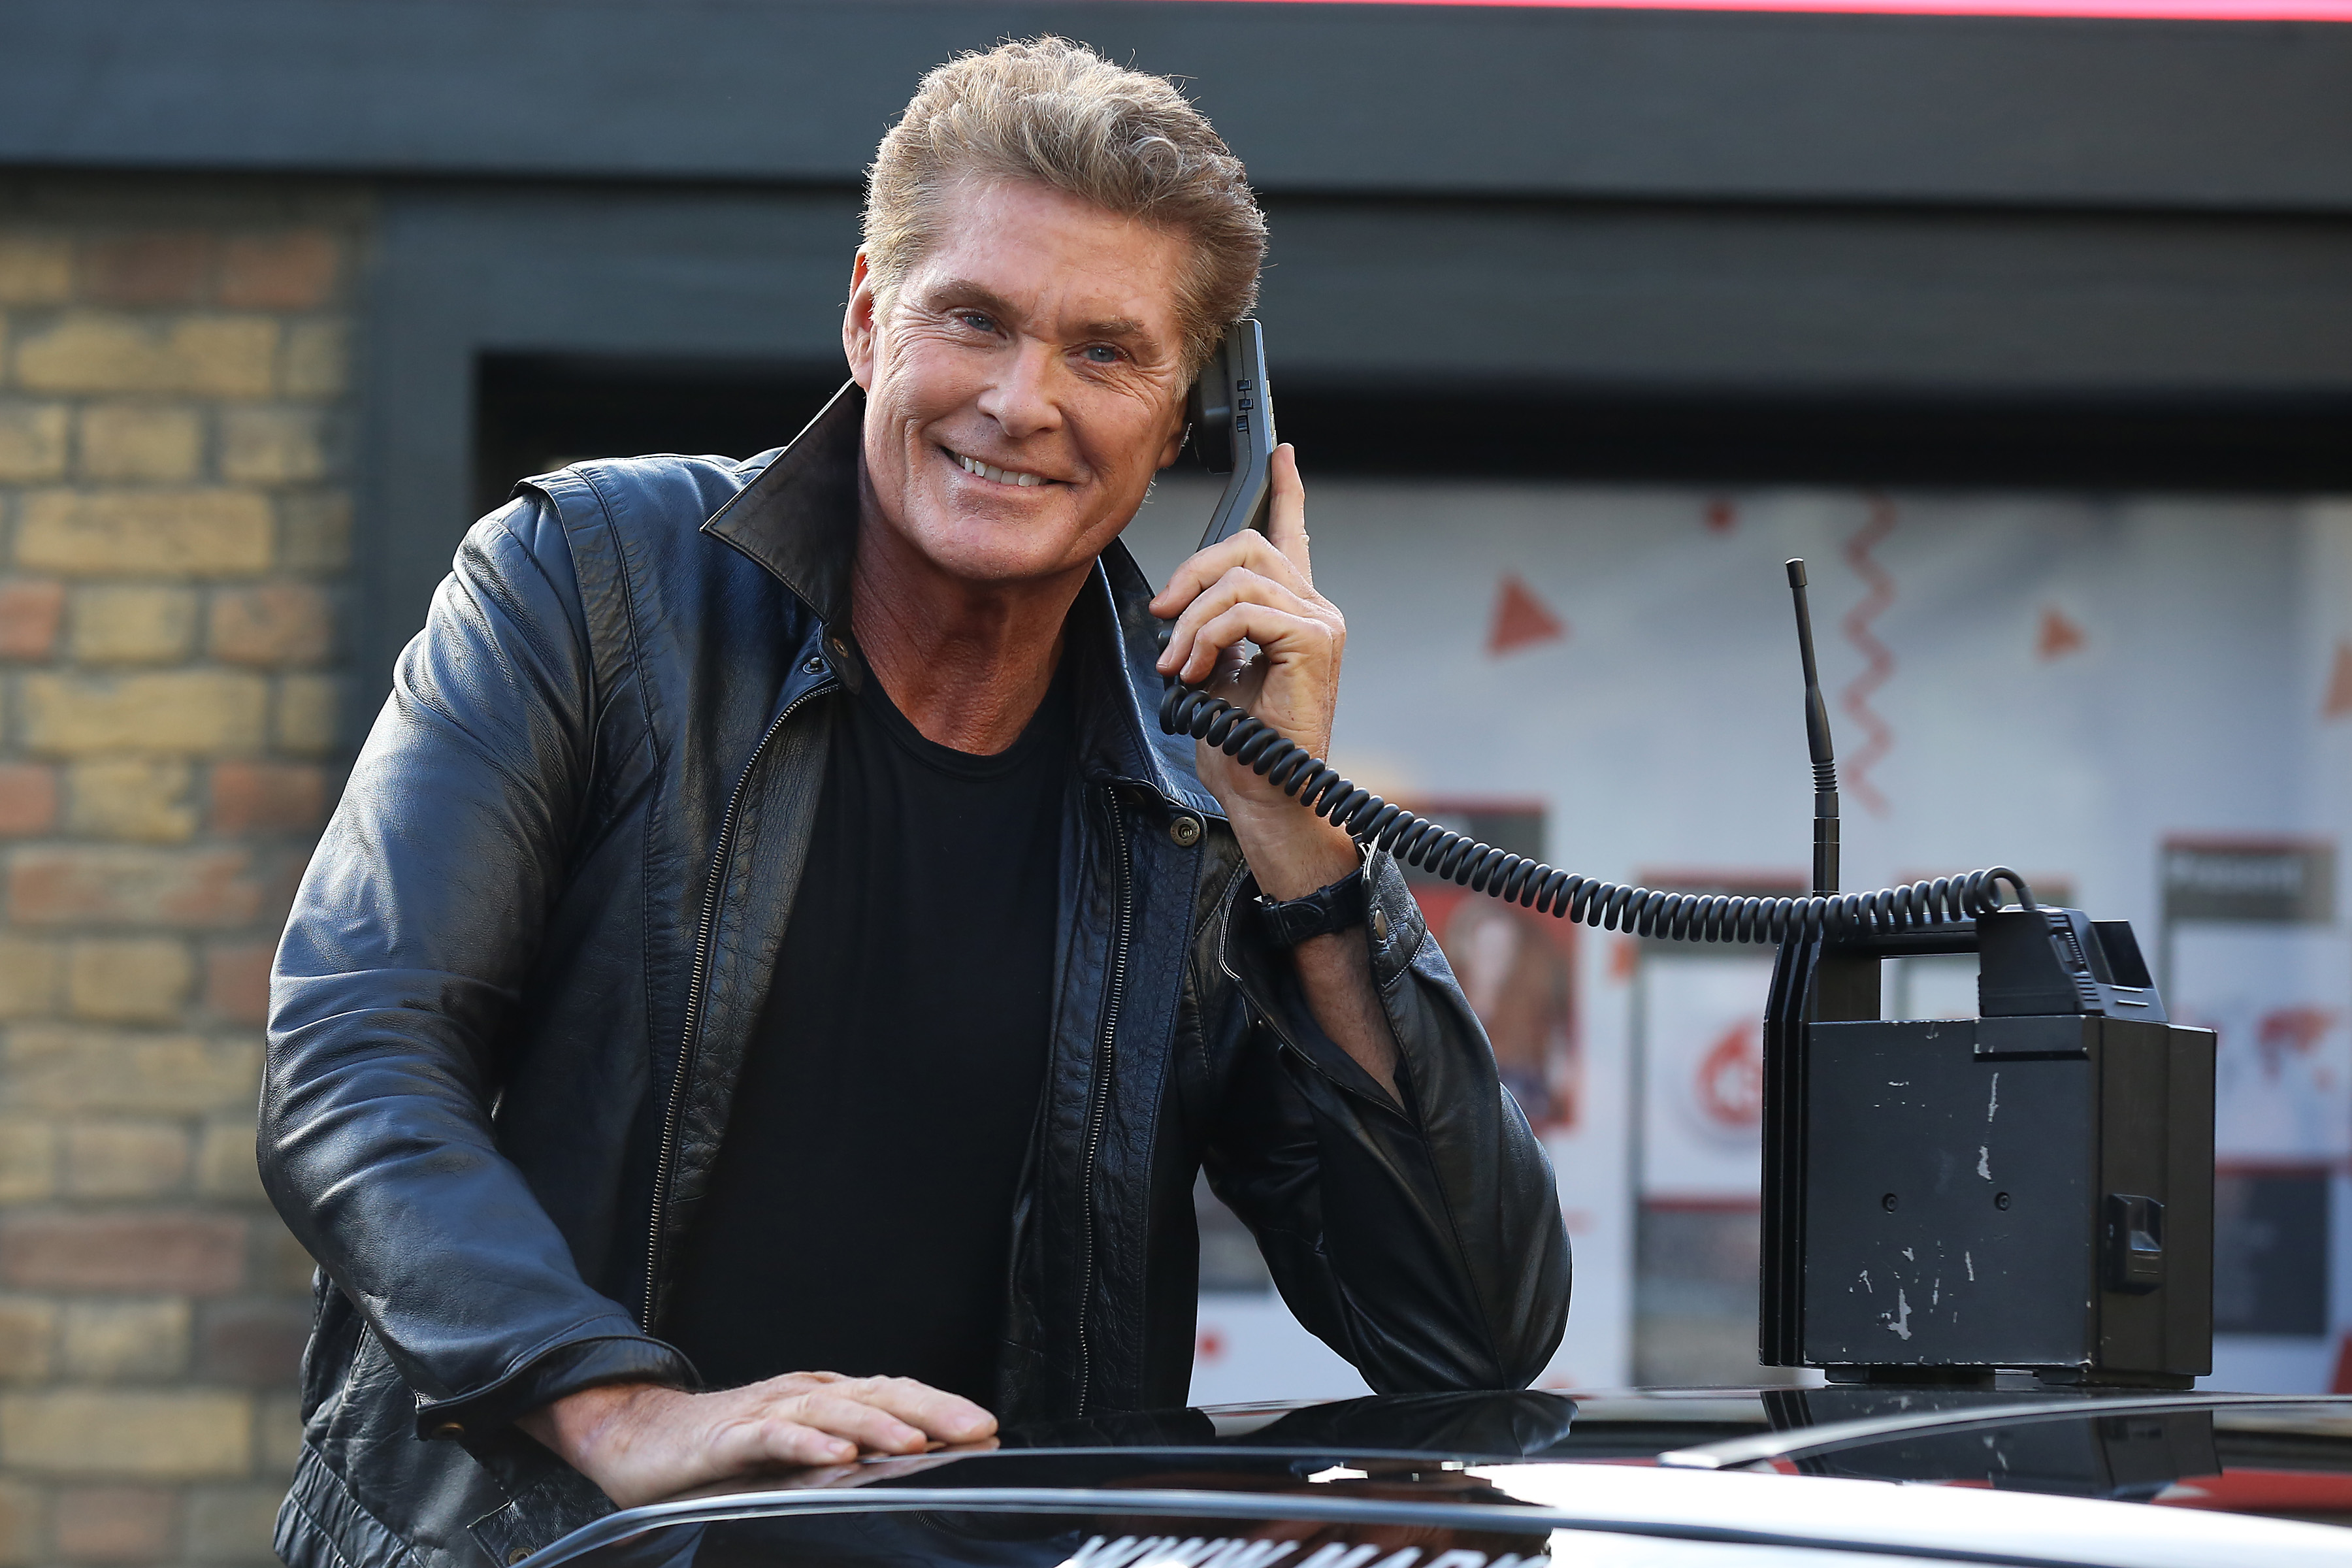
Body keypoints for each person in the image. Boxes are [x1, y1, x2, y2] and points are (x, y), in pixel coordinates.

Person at [261, 38, 1571, 1568]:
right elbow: (355, 1051)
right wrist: (619, 1412)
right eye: (975, 319)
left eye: (1105, 352)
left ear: (1195, 421)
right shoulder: (587, 582)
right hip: (542, 1547)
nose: (1023, 402)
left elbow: (1469, 1339)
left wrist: (1308, 852)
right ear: (871, 318)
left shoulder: (1216, 776)